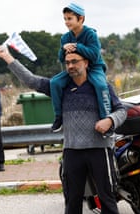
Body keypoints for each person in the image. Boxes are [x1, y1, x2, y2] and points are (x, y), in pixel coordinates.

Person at [0, 45, 127, 214]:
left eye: (75, 61)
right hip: (72, 150)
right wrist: (8, 58)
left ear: (86, 63)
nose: (71, 66)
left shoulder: (102, 86)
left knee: (107, 195)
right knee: (72, 198)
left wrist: (109, 120)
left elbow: (121, 110)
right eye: (67, 63)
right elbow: (31, 80)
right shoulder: (60, 87)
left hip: (99, 148)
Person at [50, 3, 110, 133]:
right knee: (54, 82)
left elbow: (94, 55)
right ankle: (59, 116)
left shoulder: (90, 34)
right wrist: (63, 49)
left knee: (101, 86)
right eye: (65, 19)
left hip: (94, 67)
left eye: (70, 18)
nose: (67, 22)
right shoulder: (65, 37)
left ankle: (106, 119)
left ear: (81, 19)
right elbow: (61, 59)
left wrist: (77, 47)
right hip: (74, 67)